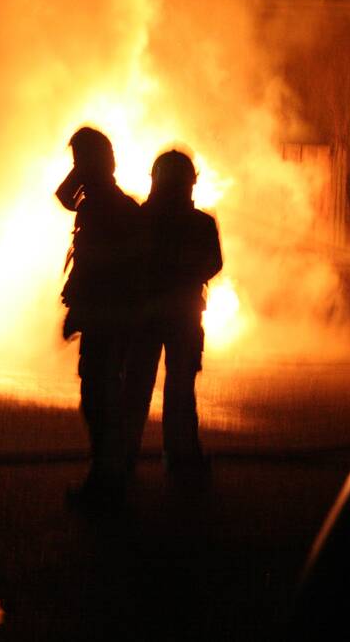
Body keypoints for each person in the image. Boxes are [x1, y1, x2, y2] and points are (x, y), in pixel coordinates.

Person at [122, 149, 222, 479]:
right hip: (183, 317)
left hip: (145, 318)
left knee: (135, 390)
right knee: (180, 391)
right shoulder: (201, 224)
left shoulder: (139, 219)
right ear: (189, 184)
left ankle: (122, 461)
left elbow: (126, 264)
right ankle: (180, 458)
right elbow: (213, 264)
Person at [56, 127, 142, 506]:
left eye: (79, 161)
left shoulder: (105, 207)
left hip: (107, 318)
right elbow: (65, 199)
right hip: (108, 317)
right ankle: (110, 476)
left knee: (99, 401)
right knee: (101, 398)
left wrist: (79, 310)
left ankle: (106, 483)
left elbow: (98, 269)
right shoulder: (106, 203)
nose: (76, 168)